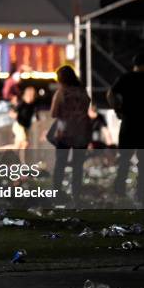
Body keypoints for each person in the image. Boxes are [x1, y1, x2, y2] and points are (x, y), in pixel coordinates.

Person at [108, 53, 144, 204]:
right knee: (143, 161)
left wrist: (117, 109)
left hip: (128, 123)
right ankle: (141, 191)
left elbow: (110, 93)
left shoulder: (125, 78)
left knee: (124, 158)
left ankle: (120, 189)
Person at [51, 65, 91, 205]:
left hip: (65, 133)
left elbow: (54, 113)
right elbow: (87, 107)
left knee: (60, 164)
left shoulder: (61, 93)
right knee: (78, 165)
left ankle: (56, 192)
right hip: (82, 132)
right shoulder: (82, 91)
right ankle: (76, 195)